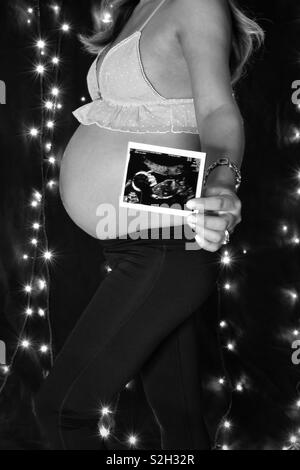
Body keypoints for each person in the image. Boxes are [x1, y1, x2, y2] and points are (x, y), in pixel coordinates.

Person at [35, 0, 264, 450]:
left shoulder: (196, 4)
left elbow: (218, 110)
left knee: (62, 411)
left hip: (165, 245)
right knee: (181, 420)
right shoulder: (136, 6)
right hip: (137, 240)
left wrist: (221, 179)